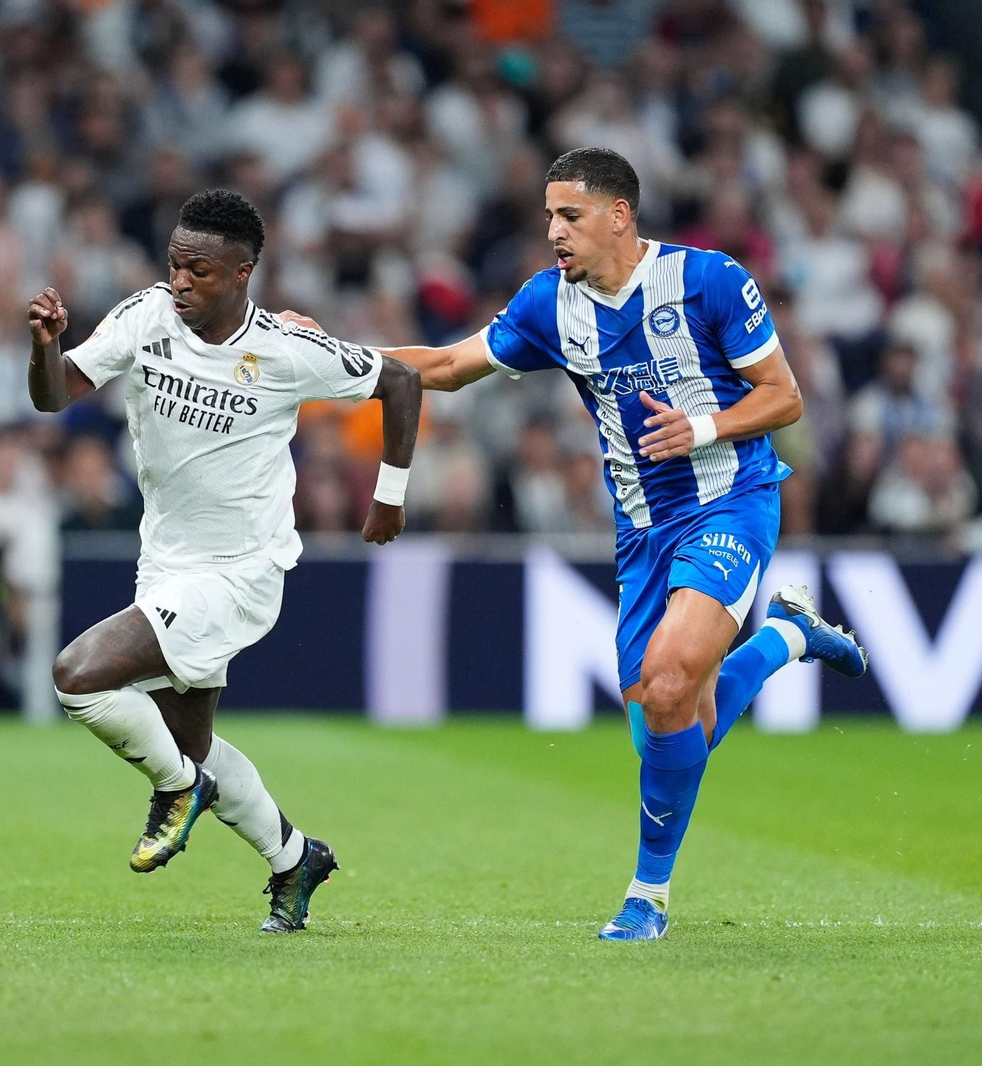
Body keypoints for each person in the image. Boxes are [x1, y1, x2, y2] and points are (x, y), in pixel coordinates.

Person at [330, 148, 869, 941]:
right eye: (548, 215)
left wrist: (704, 427)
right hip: (642, 533)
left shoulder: (710, 281)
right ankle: (790, 633)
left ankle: (647, 896)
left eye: (569, 216)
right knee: (667, 717)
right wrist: (318, 360)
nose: (553, 230)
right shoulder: (550, 304)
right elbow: (442, 366)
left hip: (731, 501)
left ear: (619, 216)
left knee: (671, 677)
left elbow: (783, 397)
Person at [28, 189, 421, 933]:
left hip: (241, 571)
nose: (180, 282)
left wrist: (389, 497)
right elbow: (57, 397)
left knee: (77, 676)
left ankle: (179, 792)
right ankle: (294, 856)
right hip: (165, 563)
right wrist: (45, 345)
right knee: (189, 741)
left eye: (199, 272)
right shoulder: (146, 316)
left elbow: (399, 381)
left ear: (243, 273)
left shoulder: (284, 349)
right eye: (175, 265)